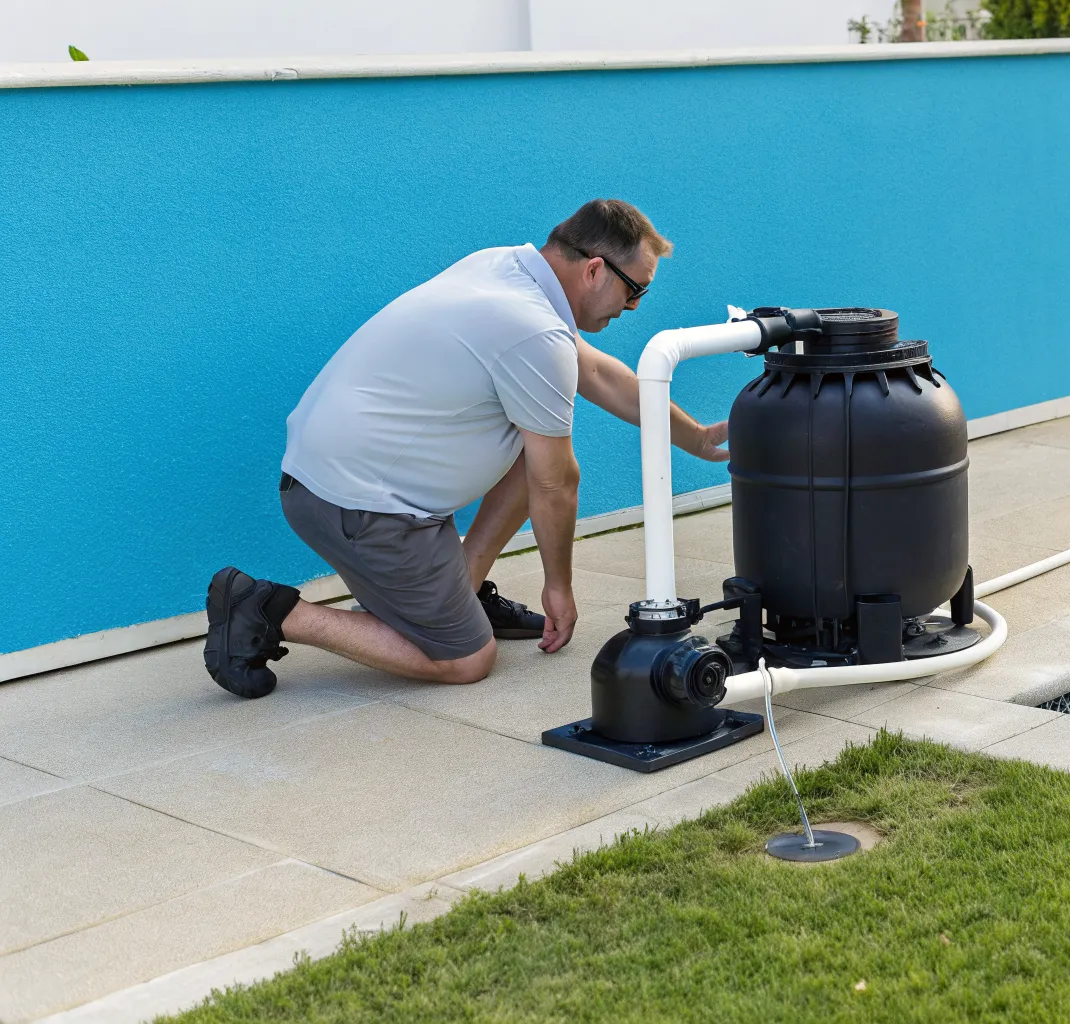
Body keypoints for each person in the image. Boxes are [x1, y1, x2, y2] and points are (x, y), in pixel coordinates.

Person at [203, 199, 729, 698]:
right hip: (356, 506)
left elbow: (598, 374)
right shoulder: (534, 330)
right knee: (466, 659)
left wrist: (700, 439)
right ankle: (267, 610)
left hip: (342, 480)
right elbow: (556, 483)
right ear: (594, 270)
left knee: (532, 445)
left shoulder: (505, 269)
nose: (633, 306)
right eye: (635, 290)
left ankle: (463, 587)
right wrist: (559, 587)